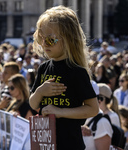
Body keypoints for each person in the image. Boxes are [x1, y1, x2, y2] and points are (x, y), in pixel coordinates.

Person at [29, 5, 99, 150]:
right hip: (45, 142)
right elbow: (33, 104)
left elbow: (93, 109)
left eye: (50, 40)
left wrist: (60, 112)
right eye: (40, 38)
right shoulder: (43, 68)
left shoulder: (77, 72)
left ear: (67, 39)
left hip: (70, 143)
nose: (43, 44)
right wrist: (40, 92)